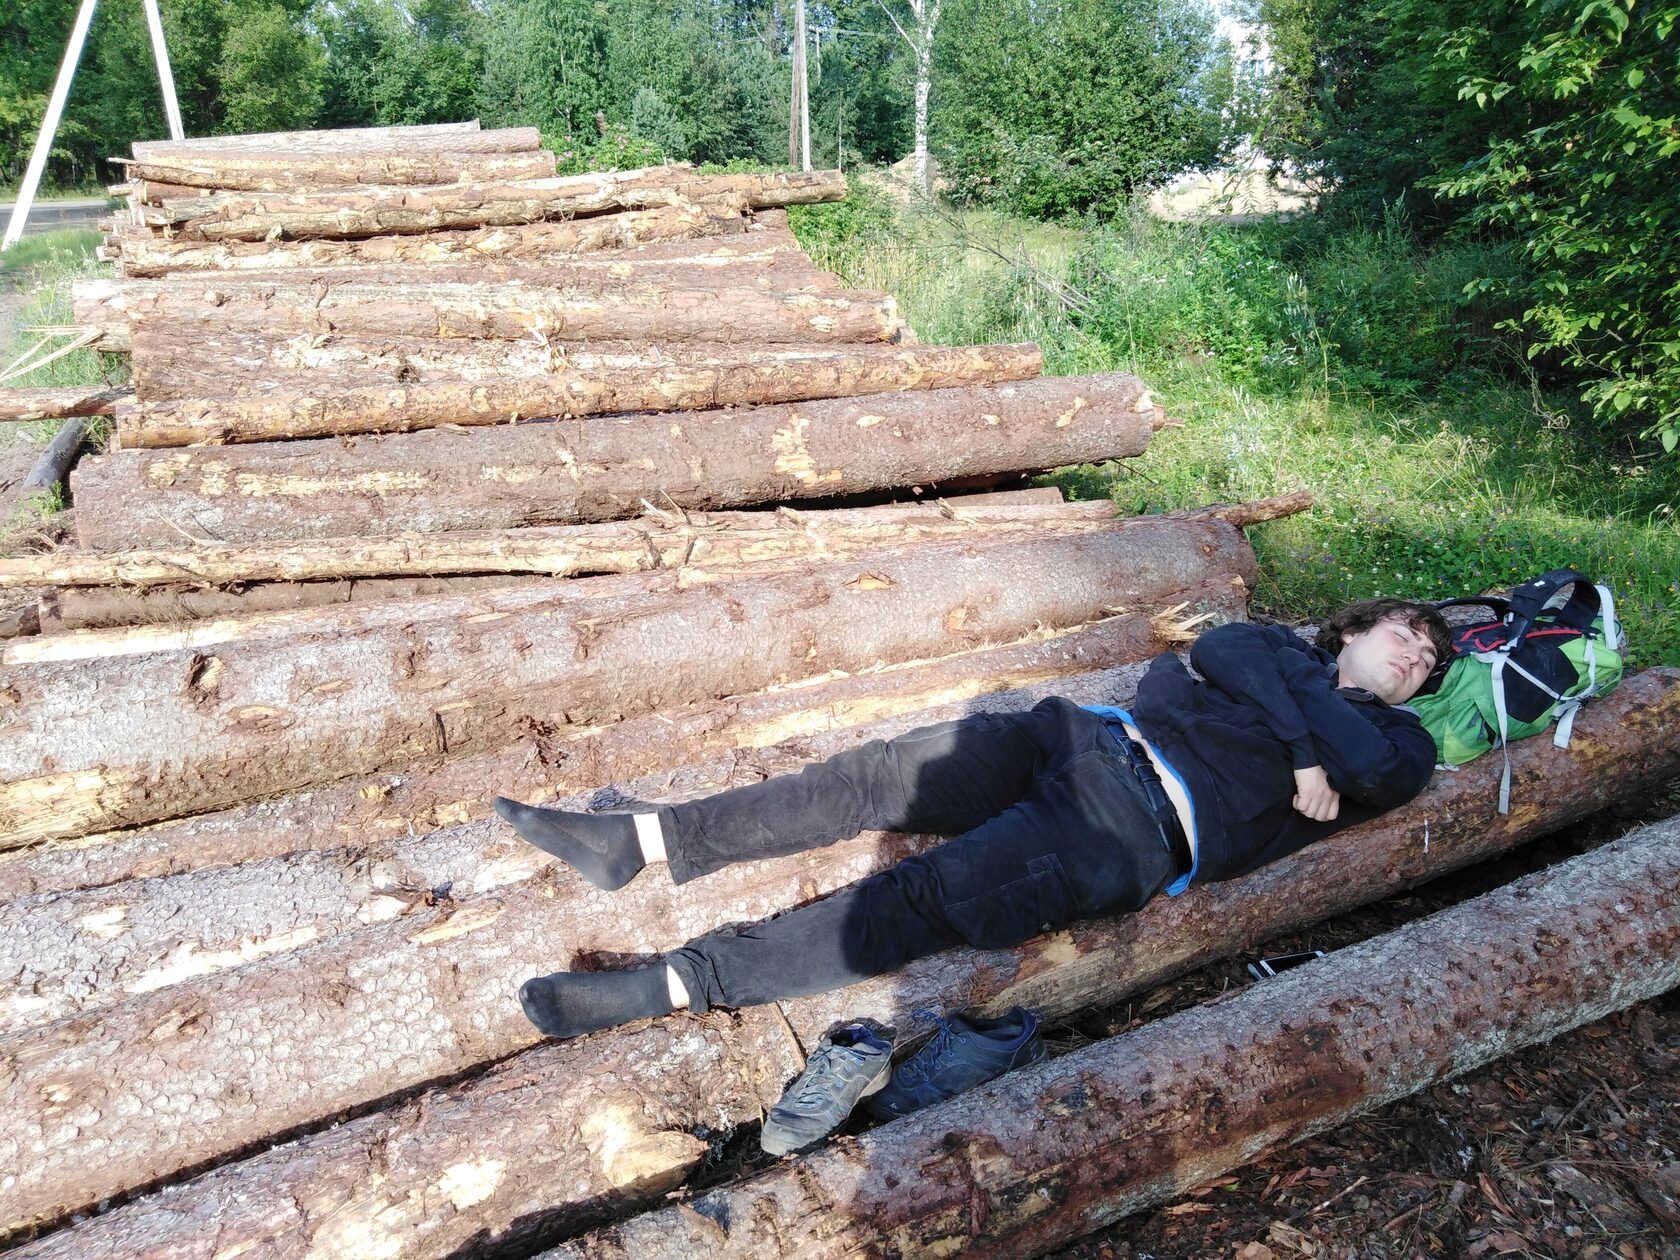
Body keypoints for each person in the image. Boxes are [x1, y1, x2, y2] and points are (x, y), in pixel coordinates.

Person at [496, 599, 1453, 1042]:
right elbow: (1220, 647)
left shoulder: (1400, 744)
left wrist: (1296, 716)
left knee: (919, 899)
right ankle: (639, 840)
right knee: (873, 777)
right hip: (1074, 735)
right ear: (1352, 630)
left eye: (1427, 664)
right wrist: (1301, 750)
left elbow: (1369, 764)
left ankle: (671, 986)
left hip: (1128, 830)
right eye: (1405, 634)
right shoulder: (1278, 651)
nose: (1414, 658)